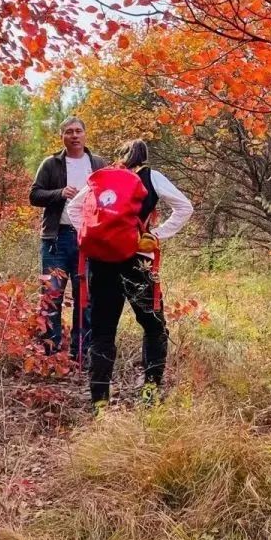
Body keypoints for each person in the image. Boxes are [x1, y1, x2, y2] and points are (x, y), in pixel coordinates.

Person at [65, 139, 193, 409]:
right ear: (145, 157)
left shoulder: (102, 179)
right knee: (154, 327)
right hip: (138, 262)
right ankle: (150, 393)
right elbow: (185, 207)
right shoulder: (152, 177)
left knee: (102, 333)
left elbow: (74, 208)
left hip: (101, 263)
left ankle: (100, 404)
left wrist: (91, 239)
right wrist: (154, 236)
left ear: (120, 156)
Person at [28, 117, 107, 362]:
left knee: (87, 297)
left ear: (85, 135)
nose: (74, 136)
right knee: (51, 297)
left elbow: (109, 199)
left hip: (89, 239)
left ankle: (80, 354)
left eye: (79, 131)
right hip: (56, 238)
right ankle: (51, 356)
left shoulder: (97, 164)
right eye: (69, 132)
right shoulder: (51, 164)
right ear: (62, 136)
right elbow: (34, 195)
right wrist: (59, 193)